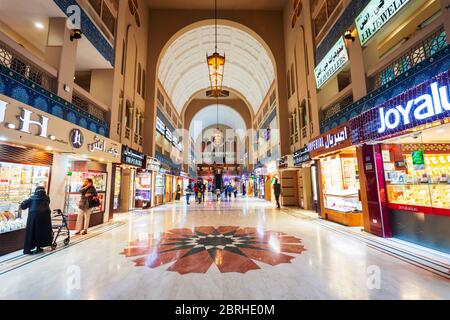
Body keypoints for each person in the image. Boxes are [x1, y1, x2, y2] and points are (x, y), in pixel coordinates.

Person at [20, 186, 53, 255]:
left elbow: (23, 206)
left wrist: (22, 203)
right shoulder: (47, 197)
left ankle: (27, 250)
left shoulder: (32, 198)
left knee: (31, 232)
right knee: (41, 232)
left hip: (33, 218)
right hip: (45, 218)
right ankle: (39, 247)